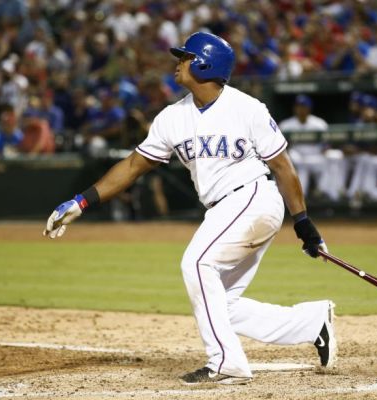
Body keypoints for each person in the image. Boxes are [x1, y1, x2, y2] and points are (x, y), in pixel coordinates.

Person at [43, 32, 336, 385]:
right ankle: (312, 323)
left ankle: (226, 363)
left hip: (253, 197)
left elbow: (283, 167)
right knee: (220, 303)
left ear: (204, 63)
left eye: (184, 56)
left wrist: (303, 222)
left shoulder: (248, 108)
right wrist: (82, 200)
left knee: (197, 263)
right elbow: (135, 165)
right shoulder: (172, 117)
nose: (177, 62)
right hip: (223, 210)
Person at [278, 94, 334, 200]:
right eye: (298, 106)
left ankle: (323, 192)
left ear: (309, 108)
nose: (300, 109)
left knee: (332, 158)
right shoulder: (286, 125)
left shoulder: (319, 124)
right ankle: (299, 197)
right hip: (297, 158)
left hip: (315, 157)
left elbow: (326, 145)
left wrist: (325, 152)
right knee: (296, 162)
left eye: (303, 106)